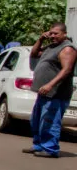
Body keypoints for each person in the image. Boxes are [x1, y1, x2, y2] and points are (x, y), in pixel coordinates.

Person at [24, 22, 75, 158]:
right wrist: (40, 39)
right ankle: (38, 145)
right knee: (36, 120)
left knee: (50, 121)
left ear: (64, 34)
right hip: (44, 93)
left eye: (56, 33)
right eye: (51, 33)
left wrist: (50, 85)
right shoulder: (51, 47)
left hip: (56, 94)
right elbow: (34, 54)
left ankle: (50, 148)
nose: (52, 36)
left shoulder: (67, 49)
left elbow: (66, 70)